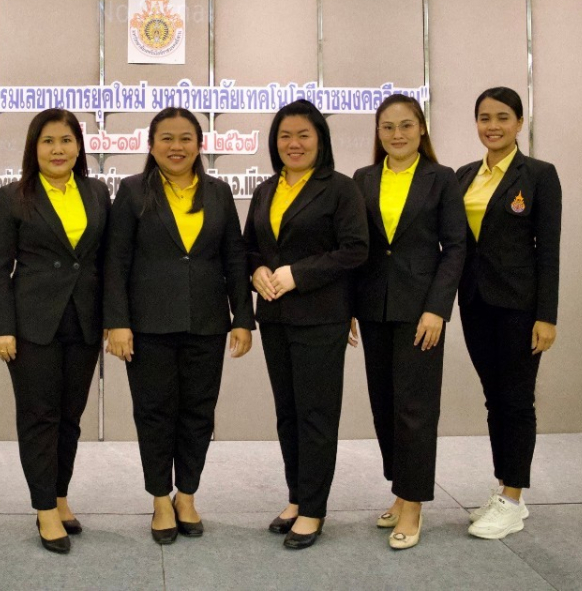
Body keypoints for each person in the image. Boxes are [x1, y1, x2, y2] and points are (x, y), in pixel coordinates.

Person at [103, 108, 254, 545]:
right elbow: (116, 261)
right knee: (154, 413)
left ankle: (186, 495)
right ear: (151, 145)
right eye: (166, 138)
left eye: (185, 138)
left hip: (207, 322)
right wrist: (117, 322)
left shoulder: (218, 192)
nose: (176, 146)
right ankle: (159, 499)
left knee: (198, 412)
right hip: (148, 325)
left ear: (199, 144)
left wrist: (243, 318)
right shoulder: (132, 191)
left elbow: (234, 259)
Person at [244, 99, 368, 550]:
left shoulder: (340, 188)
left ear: (320, 140)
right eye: (285, 136)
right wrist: (256, 271)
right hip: (275, 316)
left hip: (321, 316)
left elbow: (355, 249)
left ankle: (314, 509)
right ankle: (297, 497)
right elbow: (249, 247)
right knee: (288, 413)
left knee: (316, 414)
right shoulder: (265, 190)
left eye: (303, 135)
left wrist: (297, 274)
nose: (293, 144)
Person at [0, 108, 112, 554]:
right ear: (33, 148)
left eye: (66, 140)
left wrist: (113, 318)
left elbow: (107, 261)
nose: (58, 149)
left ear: (79, 147)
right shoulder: (14, 196)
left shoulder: (97, 192)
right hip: (31, 324)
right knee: (39, 416)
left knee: (70, 417)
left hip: (84, 321)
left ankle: (59, 496)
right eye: (48, 141)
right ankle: (43, 508)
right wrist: (0, 327)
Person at [350, 93, 465, 550]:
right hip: (373, 308)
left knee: (415, 409)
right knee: (384, 405)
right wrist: (348, 308)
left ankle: (414, 503)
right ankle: (399, 489)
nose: (397, 134)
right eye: (388, 127)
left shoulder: (442, 178)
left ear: (421, 129)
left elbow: (455, 249)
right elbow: (355, 249)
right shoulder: (362, 179)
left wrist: (437, 309)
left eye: (405, 125)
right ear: (378, 133)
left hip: (421, 312)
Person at [457, 87, 562, 540]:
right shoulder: (464, 176)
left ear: (519, 122)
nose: (493, 126)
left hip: (520, 308)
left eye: (502, 117)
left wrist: (547, 315)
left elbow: (548, 252)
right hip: (475, 304)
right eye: (484, 118)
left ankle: (514, 499)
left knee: (517, 400)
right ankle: (504, 486)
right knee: (494, 398)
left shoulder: (538, 175)